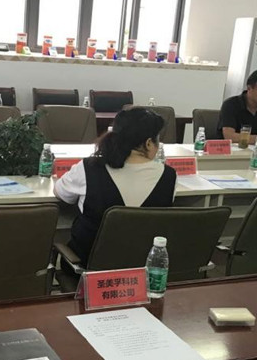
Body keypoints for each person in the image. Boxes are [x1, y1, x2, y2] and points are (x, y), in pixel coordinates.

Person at [54, 107, 177, 265]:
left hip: (88, 270)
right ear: (148, 143)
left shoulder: (89, 168)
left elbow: (60, 192)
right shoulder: (169, 176)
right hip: (142, 271)